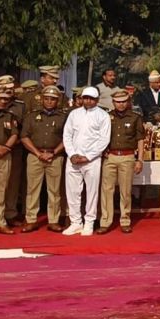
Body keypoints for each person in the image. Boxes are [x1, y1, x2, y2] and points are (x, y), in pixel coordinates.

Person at [62, 86, 111, 236]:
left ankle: (89, 222)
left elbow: (104, 140)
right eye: (85, 98)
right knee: (72, 192)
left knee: (92, 192)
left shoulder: (103, 115)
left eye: (91, 98)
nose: (88, 101)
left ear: (97, 100)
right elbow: (67, 135)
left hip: (92, 160)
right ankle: (75, 222)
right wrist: (71, 154)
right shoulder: (74, 114)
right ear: (81, 98)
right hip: (73, 159)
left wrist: (88, 156)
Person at [19, 86, 67, 232]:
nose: (49, 101)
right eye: (46, 98)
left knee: (54, 190)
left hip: (55, 157)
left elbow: (67, 138)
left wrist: (54, 152)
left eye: (53, 99)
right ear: (42, 99)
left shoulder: (63, 117)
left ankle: (53, 220)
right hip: (35, 156)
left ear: (57, 101)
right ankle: (31, 220)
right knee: (32, 189)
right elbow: (24, 136)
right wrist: (37, 153)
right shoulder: (31, 116)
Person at [98, 90, 145, 234]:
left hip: (127, 156)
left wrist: (140, 160)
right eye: (118, 102)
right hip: (110, 156)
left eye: (124, 101)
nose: (121, 104)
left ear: (128, 102)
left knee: (126, 190)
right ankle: (105, 221)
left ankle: (125, 220)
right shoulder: (106, 117)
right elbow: (100, 136)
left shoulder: (135, 117)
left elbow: (140, 139)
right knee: (106, 190)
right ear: (113, 102)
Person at [0, 75, 26, 224]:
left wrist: (8, 146)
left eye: (11, 89)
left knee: (11, 184)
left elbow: (22, 128)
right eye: (6, 89)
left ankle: (8, 215)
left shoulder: (19, 105)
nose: (9, 92)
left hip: (14, 149)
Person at [0, 84, 19, 234]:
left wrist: (5, 148)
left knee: (1, 190)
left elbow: (14, 134)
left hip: (5, 155)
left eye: (5, 99)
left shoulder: (9, 115)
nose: (3, 101)